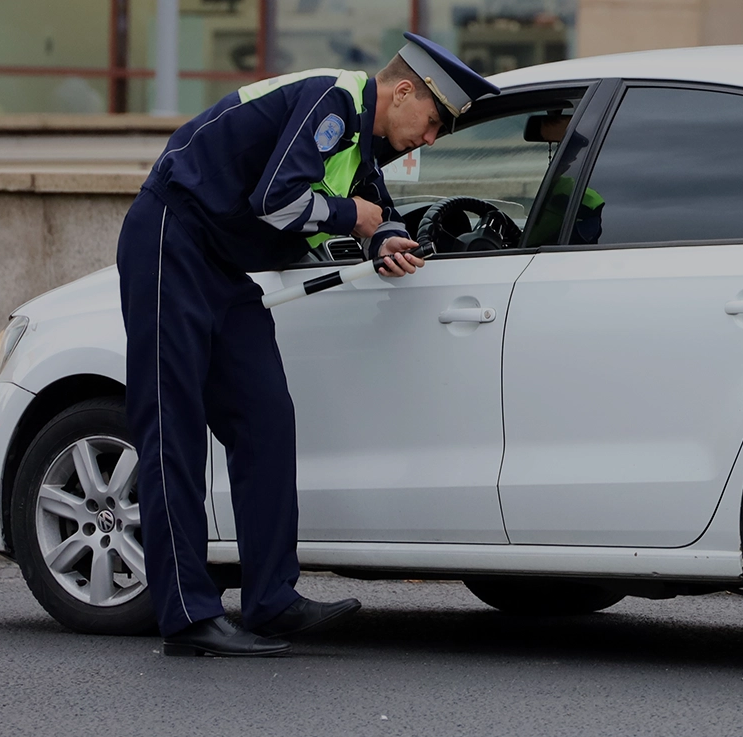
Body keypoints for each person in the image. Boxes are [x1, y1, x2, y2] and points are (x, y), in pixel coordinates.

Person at [114, 33, 500, 657]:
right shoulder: (332, 100)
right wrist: (354, 220)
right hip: (172, 237)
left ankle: (271, 601)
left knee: (265, 418)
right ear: (403, 92)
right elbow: (276, 201)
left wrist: (386, 241)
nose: (429, 140)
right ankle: (188, 618)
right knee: (172, 428)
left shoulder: (360, 142)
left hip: (222, 266)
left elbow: (377, 208)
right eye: (432, 122)